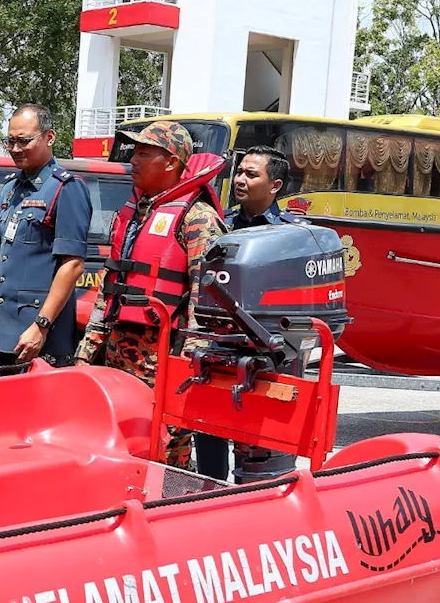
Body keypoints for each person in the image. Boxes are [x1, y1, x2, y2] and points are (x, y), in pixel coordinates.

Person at [74, 120, 225, 468]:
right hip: (118, 356)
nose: (133, 161)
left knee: (165, 451)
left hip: (164, 361)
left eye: (143, 153)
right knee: (121, 442)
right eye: (134, 153)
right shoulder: (134, 213)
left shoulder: (197, 218)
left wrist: (188, 367)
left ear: (171, 162)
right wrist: (87, 351)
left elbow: (206, 302)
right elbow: (108, 290)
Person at [196, 144, 297, 479]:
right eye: (239, 172)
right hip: (219, 344)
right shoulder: (217, 225)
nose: (239, 179)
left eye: (251, 174)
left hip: (268, 351)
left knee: (259, 442)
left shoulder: (292, 235)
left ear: (275, 186)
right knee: (208, 428)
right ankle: (209, 494)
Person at [0, 104, 91, 367]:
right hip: (2, 332)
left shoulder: (66, 188)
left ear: (49, 137)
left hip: (40, 335)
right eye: (10, 141)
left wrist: (41, 325)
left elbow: (72, 265)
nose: (15, 148)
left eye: (24, 141)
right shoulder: (9, 190)